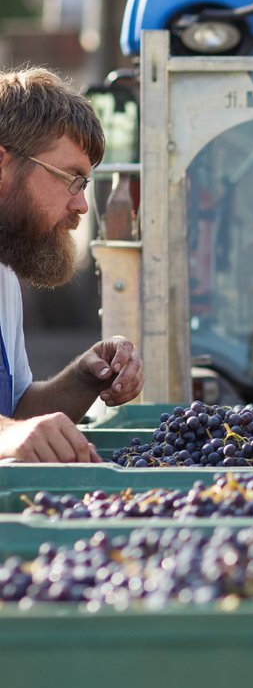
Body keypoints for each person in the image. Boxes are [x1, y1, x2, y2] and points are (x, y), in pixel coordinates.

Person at [0, 67, 144, 461]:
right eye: (71, 178)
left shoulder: (5, 276)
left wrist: (85, 376)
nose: (81, 204)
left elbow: (19, 417)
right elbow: (10, 432)